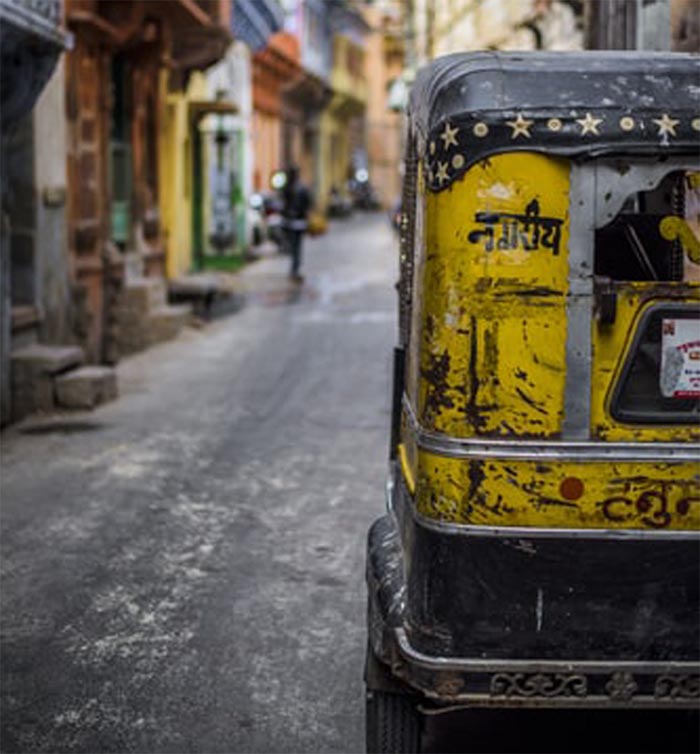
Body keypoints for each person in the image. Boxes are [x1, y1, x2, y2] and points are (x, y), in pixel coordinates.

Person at [281, 165, 312, 282]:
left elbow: (284, 205)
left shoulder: (288, 188)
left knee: (295, 247)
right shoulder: (301, 188)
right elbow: (307, 205)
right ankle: (295, 269)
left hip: (292, 223)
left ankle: (294, 269)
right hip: (297, 223)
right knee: (297, 247)